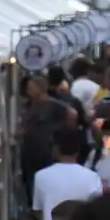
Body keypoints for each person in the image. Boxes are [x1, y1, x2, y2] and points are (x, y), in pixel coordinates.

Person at [18, 73, 75, 206]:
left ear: (41, 88)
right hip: (29, 150)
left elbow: (72, 114)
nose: (28, 91)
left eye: (31, 88)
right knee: (31, 182)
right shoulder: (27, 105)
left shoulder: (52, 104)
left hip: (47, 150)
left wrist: (64, 132)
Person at [30, 127, 103, 220]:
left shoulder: (41, 176)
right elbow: (98, 210)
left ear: (56, 148)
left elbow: (38, 211)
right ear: (78, 150)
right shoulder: (93, 177)